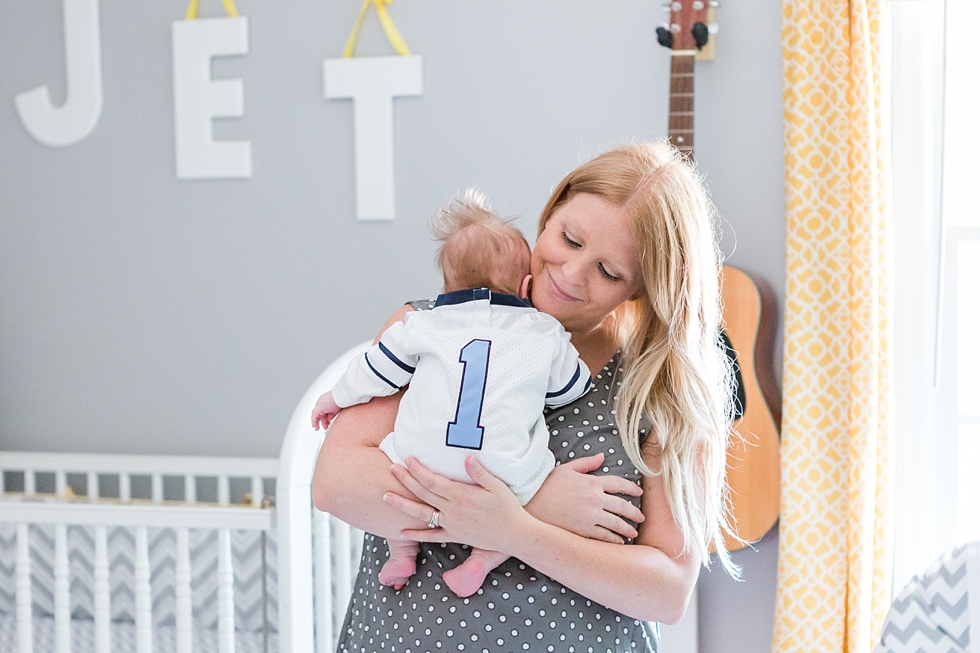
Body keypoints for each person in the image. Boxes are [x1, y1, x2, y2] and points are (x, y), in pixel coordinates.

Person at [313, 141, 737, 652]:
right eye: (569, 238)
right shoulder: (431, 327)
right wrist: (535, 499)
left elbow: (666, 592)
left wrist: (517, 530)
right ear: (550, 212)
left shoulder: (658, 387)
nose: (571, 274)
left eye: (609, 272)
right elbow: (337, 484)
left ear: (640, 289)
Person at [309, 193, 593, 596]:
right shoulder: (543, 333)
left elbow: (377, 369)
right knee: (534, 475)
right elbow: (571, 389)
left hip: (423, 464)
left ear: (447, 285)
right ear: (525, 285)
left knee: (392, 464)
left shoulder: (423, 324)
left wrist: (335, 397)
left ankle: (402, 551)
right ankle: (482, 559)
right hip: (498, 472)